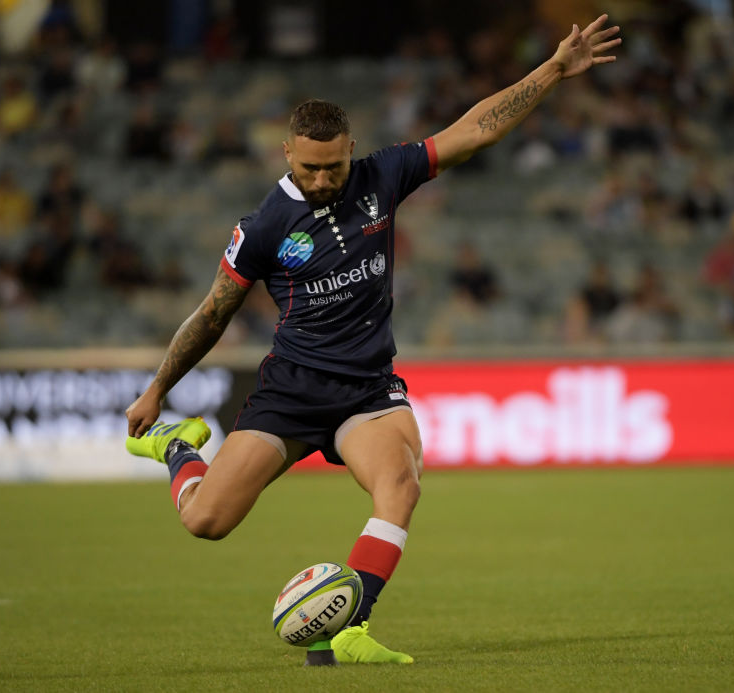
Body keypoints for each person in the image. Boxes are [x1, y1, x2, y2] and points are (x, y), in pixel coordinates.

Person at [124, 15, 621, 664]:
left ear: (350, 148)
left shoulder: (382, 177)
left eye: (333, 166)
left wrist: (553, 69)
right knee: (205, 522)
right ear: (286, 154)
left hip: (366, 390)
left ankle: (351, 625)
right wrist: (161, 388)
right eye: (310, 168)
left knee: (402, 484)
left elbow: (474, 130)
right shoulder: (267, 225)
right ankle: (173, 448)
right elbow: (213, 313)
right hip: (293, 390)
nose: (324, 179)